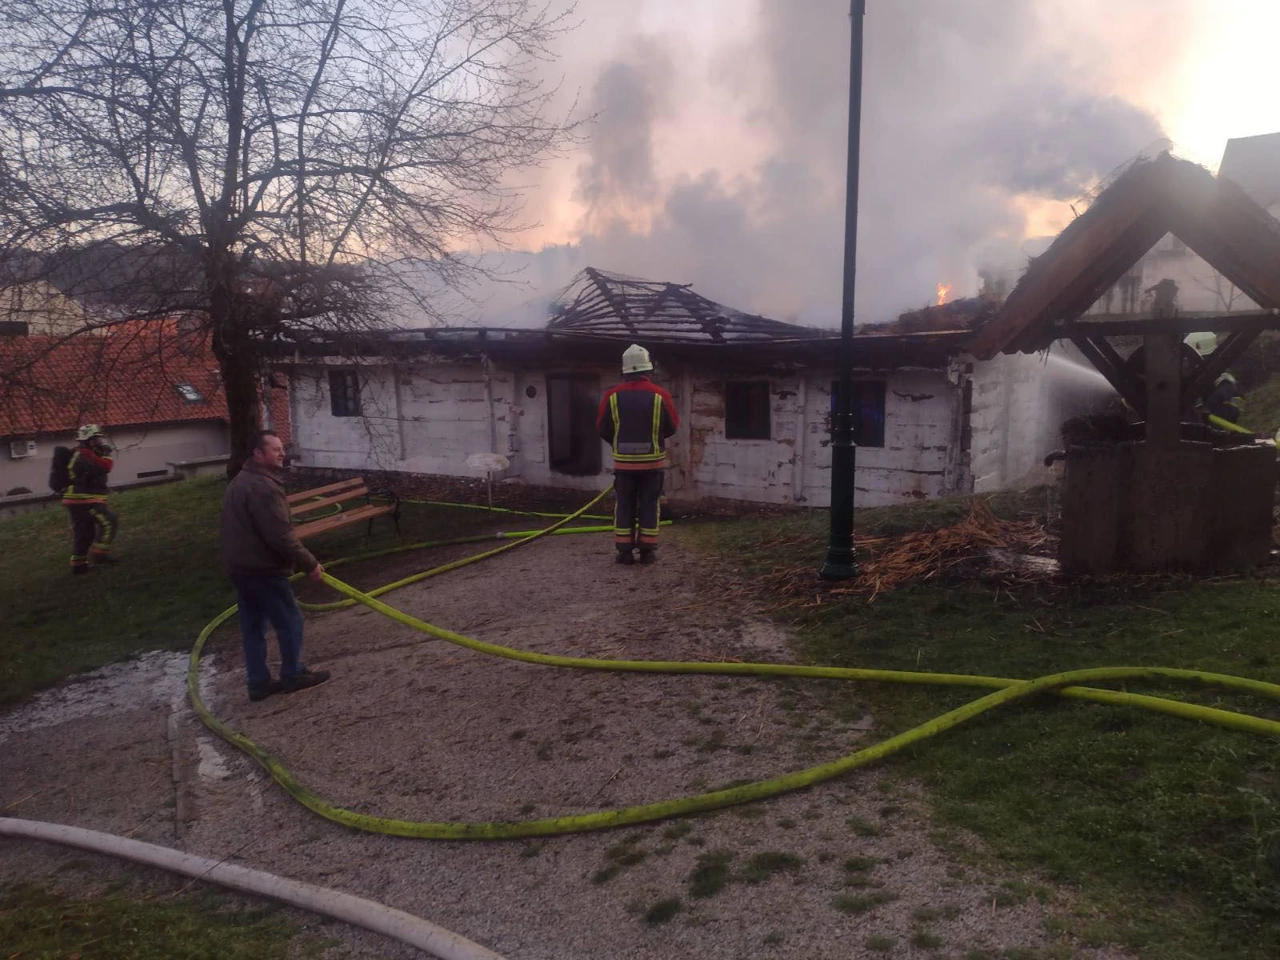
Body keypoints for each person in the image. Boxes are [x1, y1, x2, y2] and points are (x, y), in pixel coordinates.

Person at [220, 429, 330, 702]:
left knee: (253, 627)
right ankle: (293, 674)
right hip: (263, 569)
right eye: (275, 449)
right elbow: (280, 535)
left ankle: (258, 683)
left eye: (282, 448)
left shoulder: (239, 482)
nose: (282, 453)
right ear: (258, 454)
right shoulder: (263, 488)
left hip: (240, 568)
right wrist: (310, 564)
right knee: (289, 621)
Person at [596, 344, 679, 565]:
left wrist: (619, 444)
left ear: (624, 370)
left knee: (623, 505)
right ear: (647, 370)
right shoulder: (660, 395)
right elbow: (672, 427)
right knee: (650, 504)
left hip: (624, 466)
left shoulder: (612, 396)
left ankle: (624, 552)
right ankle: (647, 552)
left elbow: (602, 428)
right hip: (652, 465)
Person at [62, 424, 119, 574]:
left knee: (84, 533)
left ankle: (79, 566)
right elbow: (105, 466)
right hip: (84, 500)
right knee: (109, 522)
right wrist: (106, 454)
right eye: (98, 439)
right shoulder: (84, 454)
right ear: (91, 441)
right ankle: (100, 555)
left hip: (76, 499)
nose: (101, 442)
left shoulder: (81, 453)